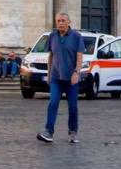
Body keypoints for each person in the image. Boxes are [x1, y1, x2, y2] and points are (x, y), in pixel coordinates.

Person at [37, 13, 89, 144]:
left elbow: (79, 55)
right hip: (56, 77)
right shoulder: (52, 36)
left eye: (63, 20)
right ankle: (48, 132)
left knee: (72, 106)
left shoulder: (76, 36)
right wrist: (49, 74)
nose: (60, 23)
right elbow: (51, 55)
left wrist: (77, 72)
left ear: (69, 22)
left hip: (71, 78)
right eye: (58, 21)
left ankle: (73, 132)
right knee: (53, 103)